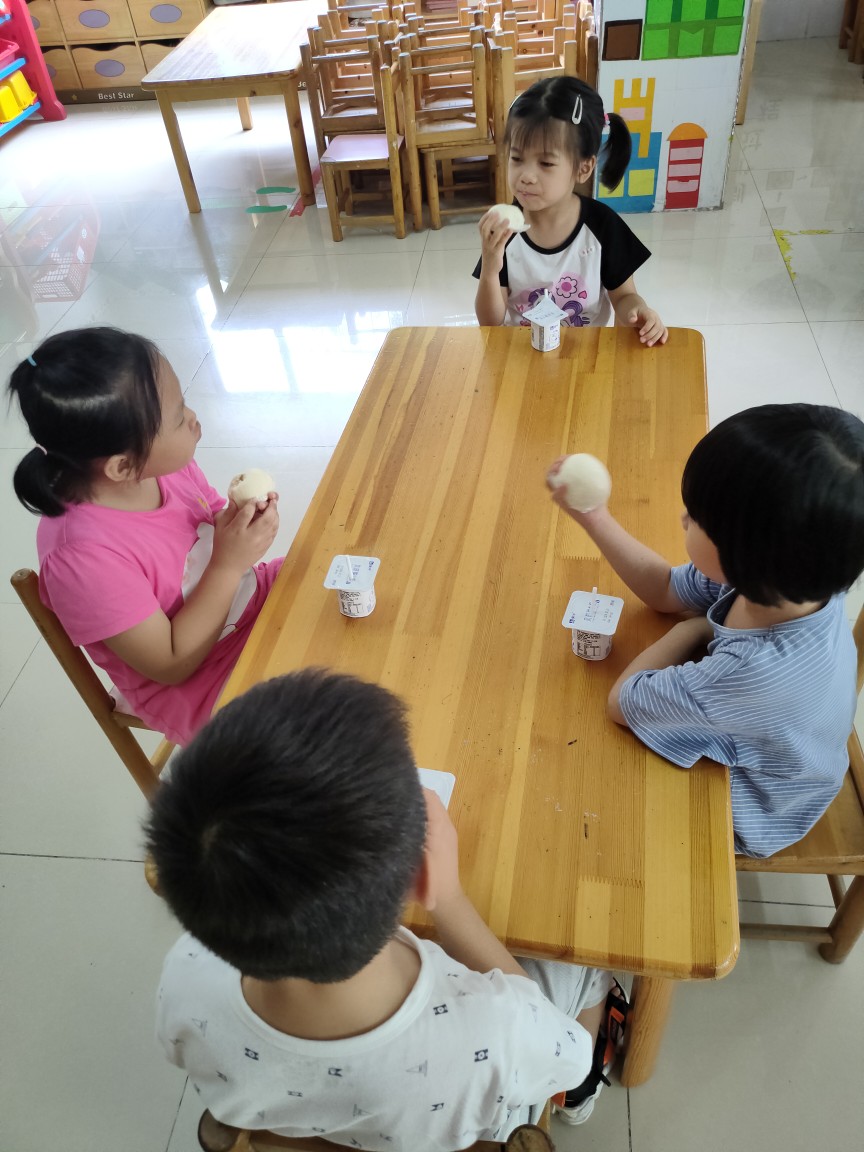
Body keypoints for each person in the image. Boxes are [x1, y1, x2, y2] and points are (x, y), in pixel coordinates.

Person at [146, 670, 628, 1149]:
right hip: (471, 1115)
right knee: (583, 956)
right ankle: (578, 1099)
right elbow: (567, 1053)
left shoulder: (183, 974)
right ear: (422, 876)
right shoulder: (499, 1030)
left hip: (312, 1119)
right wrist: (450, 900)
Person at [548, 403, 864, 858]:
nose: (683, 518)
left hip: (765, 804)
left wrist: (692, 630)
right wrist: (594, 516)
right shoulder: (800, 579)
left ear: (745, 555)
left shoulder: (751, 675)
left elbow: (622, 702)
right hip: (795, 746)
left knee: (591, 800)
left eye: (697, 518)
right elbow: (665, 590)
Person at [7, 327, 281, 746]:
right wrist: (229, 564)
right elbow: (170, 665)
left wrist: (242, 520)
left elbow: (210, 524)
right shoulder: (81, 557)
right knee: (318, 731)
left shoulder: (161, 467)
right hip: (200, 680)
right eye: (179, 416)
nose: (194, 418)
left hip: (251, 602)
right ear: (121, 466)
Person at [473, 76, 667, 346]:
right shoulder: (506, 229)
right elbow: (490, 322)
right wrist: (490, 269)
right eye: (516, 158)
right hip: (522, 354)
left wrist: (638, 310)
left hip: (585, 355)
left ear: (583, 168)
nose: (526, 175)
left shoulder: (603, 226)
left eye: (545, 163)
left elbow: (624, 296)